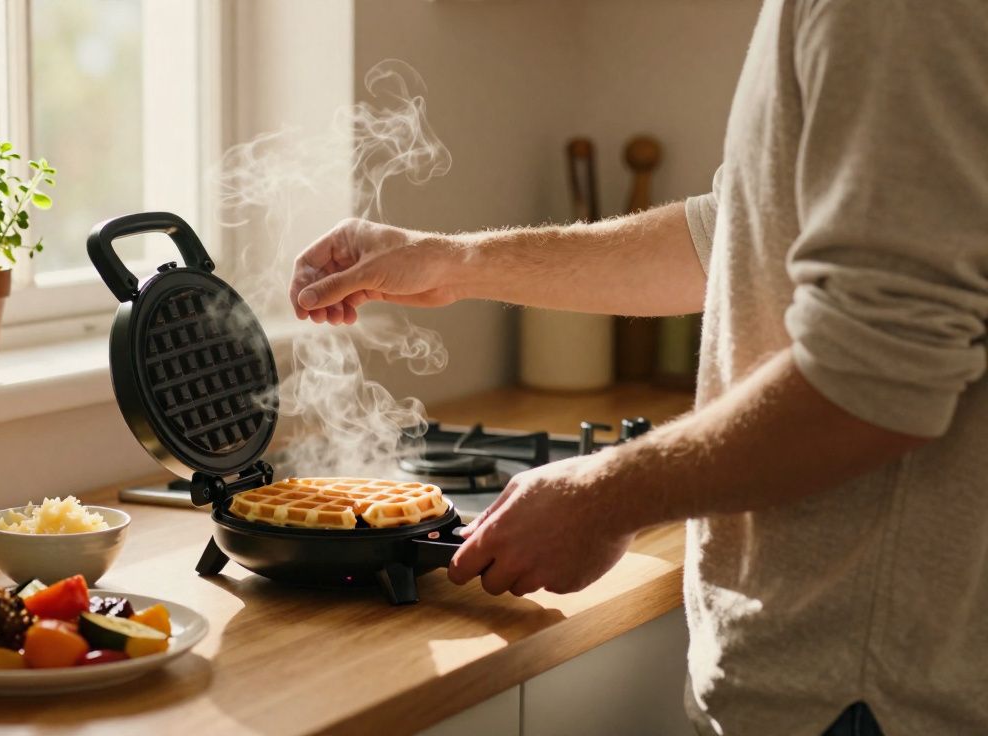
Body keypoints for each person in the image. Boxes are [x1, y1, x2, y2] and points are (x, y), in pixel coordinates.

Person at [287, 1, 988, 734]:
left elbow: (877, 375)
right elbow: (737, 228)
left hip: (867, 690)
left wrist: (602, 495)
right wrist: (458, 261)